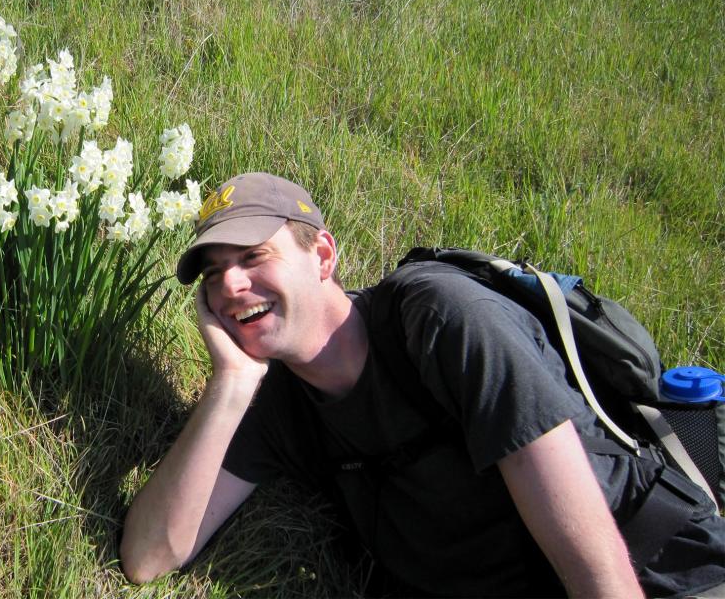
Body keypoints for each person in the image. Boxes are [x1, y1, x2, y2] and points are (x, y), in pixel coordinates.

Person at [120, 172, 725, 597]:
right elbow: (147, 558)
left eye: (252, 257)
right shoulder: (274, 404)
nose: (229, 287)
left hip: (659, 571)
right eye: (213, 274)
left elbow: (599, 570)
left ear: (323, 255)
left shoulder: (440, 318)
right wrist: (231, 383)